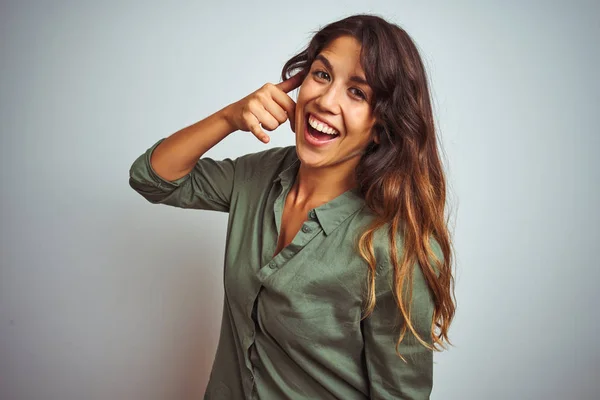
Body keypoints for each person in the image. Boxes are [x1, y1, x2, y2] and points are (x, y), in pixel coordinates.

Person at [129, 13, 455, 400]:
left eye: (357, 93)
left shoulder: (395, 246)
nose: (326, 101)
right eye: (322, 75)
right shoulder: (258, 176)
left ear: (381, 125)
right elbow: (152, 179)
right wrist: (230, 116)